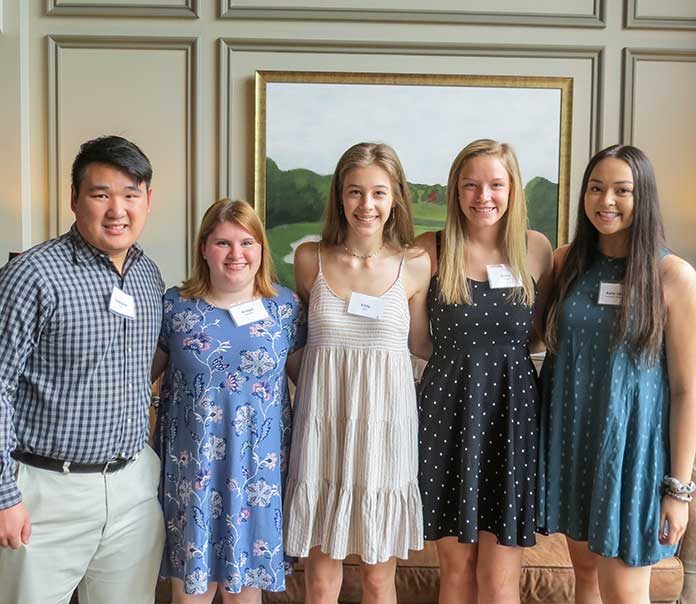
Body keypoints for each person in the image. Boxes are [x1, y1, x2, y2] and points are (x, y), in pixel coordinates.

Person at [0, 135, 165, 603]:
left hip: (132, 487)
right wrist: (3, 496)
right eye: (101, 194)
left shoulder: (147, 274)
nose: (118, 209)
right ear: (74, 200)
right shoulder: (33, 275)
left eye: (131, 194)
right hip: (45, 491)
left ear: (148, 201)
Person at [537, 144, 696, 603]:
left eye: (622, 190)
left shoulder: (673, 276)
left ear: (642, 196)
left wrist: (679, 490)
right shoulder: (567, 262)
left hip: (633, 457)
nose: (606, 201)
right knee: (583, 578)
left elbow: (687, 391)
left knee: (626, 594)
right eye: (596, 188)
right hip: (571, 442)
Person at [283, 142, 431, 603]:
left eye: (378, 193)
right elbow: (292, 344)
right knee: (321, 579)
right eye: (355, 192)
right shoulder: (310, 259)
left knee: (377, 578)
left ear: (396, 198)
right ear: (339, 197)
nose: (366, 205)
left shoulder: (416, 264)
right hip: (323, 426)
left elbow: (420, 350)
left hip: (385, 433)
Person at [415, 139, 553, 603]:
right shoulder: (430, 249)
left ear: (512, 189)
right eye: (470, 185)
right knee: (456, 571)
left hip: (512, 413)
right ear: (455, 191)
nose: (483, 197)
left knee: (499, 577)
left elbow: (539, 333)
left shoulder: (536, 249)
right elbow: (417, 339)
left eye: (496, 184)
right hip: (446, 412)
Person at [151, 199, 306, 604]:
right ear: (204, 248)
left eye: (247, 242)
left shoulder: (285, 309)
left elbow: (310, 380)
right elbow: (137, 377)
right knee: (191, 595)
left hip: (258, 478)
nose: (236, 254)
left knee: (245, 596)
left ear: (261, 250)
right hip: (192, 476)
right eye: (223, 243)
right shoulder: (175, 306)